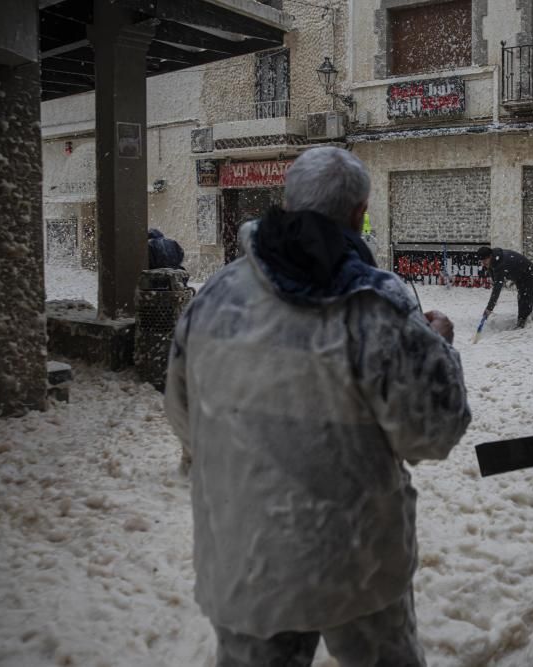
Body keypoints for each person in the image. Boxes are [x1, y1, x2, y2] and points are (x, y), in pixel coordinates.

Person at [164, 147, 471, 666]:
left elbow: (184, 418)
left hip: (245, 558)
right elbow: (431, 434)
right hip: (358, 564)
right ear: (359, 213)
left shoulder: (214, 298)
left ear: (285, 203)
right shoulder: (377, 305)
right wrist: (434, 345)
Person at [478, 246, 533, 328]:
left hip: (529, 273)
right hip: (520, 274)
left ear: (490, 256)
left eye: (485, 260)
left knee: (525, 297)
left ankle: (523, 322)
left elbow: (497, 288)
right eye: (482, 261)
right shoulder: (494, 259)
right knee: (522, 296)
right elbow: (494, 276)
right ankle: (525, 317)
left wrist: (489, 308)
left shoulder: (499, 263)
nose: (483, 263)